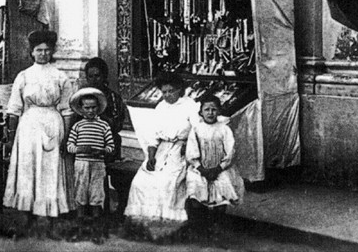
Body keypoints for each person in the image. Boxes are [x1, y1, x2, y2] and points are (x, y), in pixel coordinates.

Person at [4, 30, 74, 226]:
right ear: (32, 52)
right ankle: (28, 210)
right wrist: (10, 137)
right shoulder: (24, 76)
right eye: (38, 50)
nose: (43, 54)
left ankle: (51, 210)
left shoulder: (61, 76)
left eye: (46, 50)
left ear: (51, 52)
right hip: (29, 124)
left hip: (52, 122)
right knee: (29, 165)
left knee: (50, 166)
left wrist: (67, 137)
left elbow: (67, 109)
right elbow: (14, 109)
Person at [124, 73, 198, 235]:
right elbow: (153, 137)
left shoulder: (190, 106)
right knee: (140, 181)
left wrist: (188, 146)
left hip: (181, 150)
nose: (167, 95)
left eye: (170, 91)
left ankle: (167, 228)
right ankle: (145, 226)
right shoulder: (161, 107)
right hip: (162, 150)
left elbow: (197, 130)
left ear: (179, 89)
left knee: (167, 183)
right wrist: (151, 157)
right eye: (164, 92)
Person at [185, 94, 244, 232]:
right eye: (207, 109)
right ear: (201, 112)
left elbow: (231, 152)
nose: (210, 113)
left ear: (218, 111)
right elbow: (191, 151)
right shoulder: (196, 129)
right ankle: (200, 225)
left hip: (220, 168)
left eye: (213, 109)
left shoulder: (224, 129)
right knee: (196, 190)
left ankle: (217, 224)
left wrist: (219, 168)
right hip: (200, 168)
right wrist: (201, 168)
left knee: (223, 191)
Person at [66, 87, 114, 242]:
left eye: (93, 107)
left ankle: (96, 230)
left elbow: (110, 147)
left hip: (98, 164)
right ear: (81, 109)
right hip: (81, 164)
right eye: (87, 108)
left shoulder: (104, 126)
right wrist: (80, 148)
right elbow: (70, 146)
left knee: (96, 194)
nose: (90, 111)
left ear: (98, 108)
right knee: (80, 192)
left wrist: (101, 151)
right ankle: (79, 228)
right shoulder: (78, 126)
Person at [80, 57, 126, 163]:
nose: (94, 80)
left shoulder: (113, 98)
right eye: (90, 76)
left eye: (97, 76)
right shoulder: (81, 98)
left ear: (104, 76)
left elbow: (118, 125)